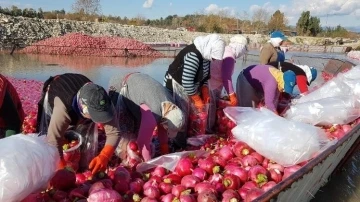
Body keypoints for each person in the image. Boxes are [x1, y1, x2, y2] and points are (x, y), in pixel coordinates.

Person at [36, 73, 120, 174]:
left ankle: (83, 165)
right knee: (46, 138)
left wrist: (105, 155)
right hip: (58, 91)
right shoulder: (63, 107)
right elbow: (53, 139)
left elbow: (114, 132)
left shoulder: (102, 100)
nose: (99, 121)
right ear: (82, 107)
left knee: (86, 137)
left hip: (83, 98)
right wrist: (62, 170)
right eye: (95, 115)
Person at [108, 72, 185, 161]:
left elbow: (163, 127)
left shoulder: (171, 106)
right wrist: (148, 164)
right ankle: (121, 157)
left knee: (138, 126)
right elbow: (142, 142)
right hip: (119, 85)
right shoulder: (153, 113)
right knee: (121, 129)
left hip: (138, 85)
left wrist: (165, 149)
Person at [163, 34, 225, 135]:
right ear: (210, 49)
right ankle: (176, 142)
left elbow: (205, 75)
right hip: (177, 85)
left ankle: (190, 137)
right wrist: (197, 99)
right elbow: (187, 81)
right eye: (213, 57)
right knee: (180, 116)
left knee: (191, 115)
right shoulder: (193, 55)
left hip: (190, 87)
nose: (213, 60)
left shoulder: (206, 55)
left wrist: (205, 89)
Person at [207, 35, 248, 132]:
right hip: (213, 84)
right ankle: (208, 130)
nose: (242, 52)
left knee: (210, 107)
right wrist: (231, 94)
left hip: (210, 81)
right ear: (240, 47)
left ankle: (208, 128)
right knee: (211, 108)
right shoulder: (229, 56)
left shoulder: (225, 50)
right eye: (243, 49)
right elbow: (226, 77)